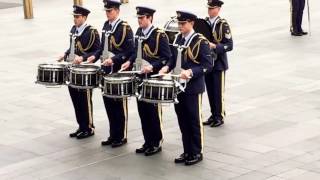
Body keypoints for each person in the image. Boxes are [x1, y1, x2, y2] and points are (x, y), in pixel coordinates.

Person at [159, 10, 212, 165]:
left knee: (193, 120)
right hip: (178, 86)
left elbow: (207, 65)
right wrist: (166, 68)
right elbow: (172, 59)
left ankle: (196, 151)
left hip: (193, 87)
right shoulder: (178, 38)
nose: (180, 26)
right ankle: (187, 150)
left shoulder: (200, 41)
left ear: (192, 23)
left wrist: (190, 72)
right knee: (182, 120)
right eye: (179, 23)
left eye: (183, 23)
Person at [122, 6, 171, 156]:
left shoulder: (159, 35)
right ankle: (147, 141)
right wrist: (129, 62)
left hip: (152, 78)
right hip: (140, 77)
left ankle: (156, 142)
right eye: (138, 18)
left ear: (149, 18)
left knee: (153, 111)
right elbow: (135, 52)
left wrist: (152, 66)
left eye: (142, 18)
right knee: (142, 111)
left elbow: (166, 57)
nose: (139, 21)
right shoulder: (138, 32)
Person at [88, 0, 134, 147]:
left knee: (119, 105)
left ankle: (121, 136)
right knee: (108, 104)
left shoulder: (125, 28)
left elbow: (130, 51)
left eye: (110, 11)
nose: (108, 14)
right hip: (106, 70)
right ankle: (113, 134)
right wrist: (94, 56)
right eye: (106, 11)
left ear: (117, 11)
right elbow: (102, 48)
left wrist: (114, 59)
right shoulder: (106, 25)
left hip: (118, 71)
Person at [58, 5, 100, 139]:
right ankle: (81, 126)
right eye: (74, 17)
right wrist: (64, 54)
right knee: (75, 99)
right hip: (73, 70)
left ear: (84, 17)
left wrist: (83, 58)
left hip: (85, 72)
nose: (75, 19)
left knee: (84, 100)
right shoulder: (73, 29)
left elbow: (97, 51)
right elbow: (72, 47)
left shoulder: (91, 31)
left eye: (77, 17)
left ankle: (88, 127)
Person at [202, 0, 233, 127]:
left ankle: (219, 115)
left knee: (217, 91)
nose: (209, 11)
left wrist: (215, 46)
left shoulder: (223, 24)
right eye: (208, 8)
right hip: (208, 62)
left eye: (212, 8)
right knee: (210, 90)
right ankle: (213, 114)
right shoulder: (204, 23)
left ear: (218, 9)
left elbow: (229, 45)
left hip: (219, 63)